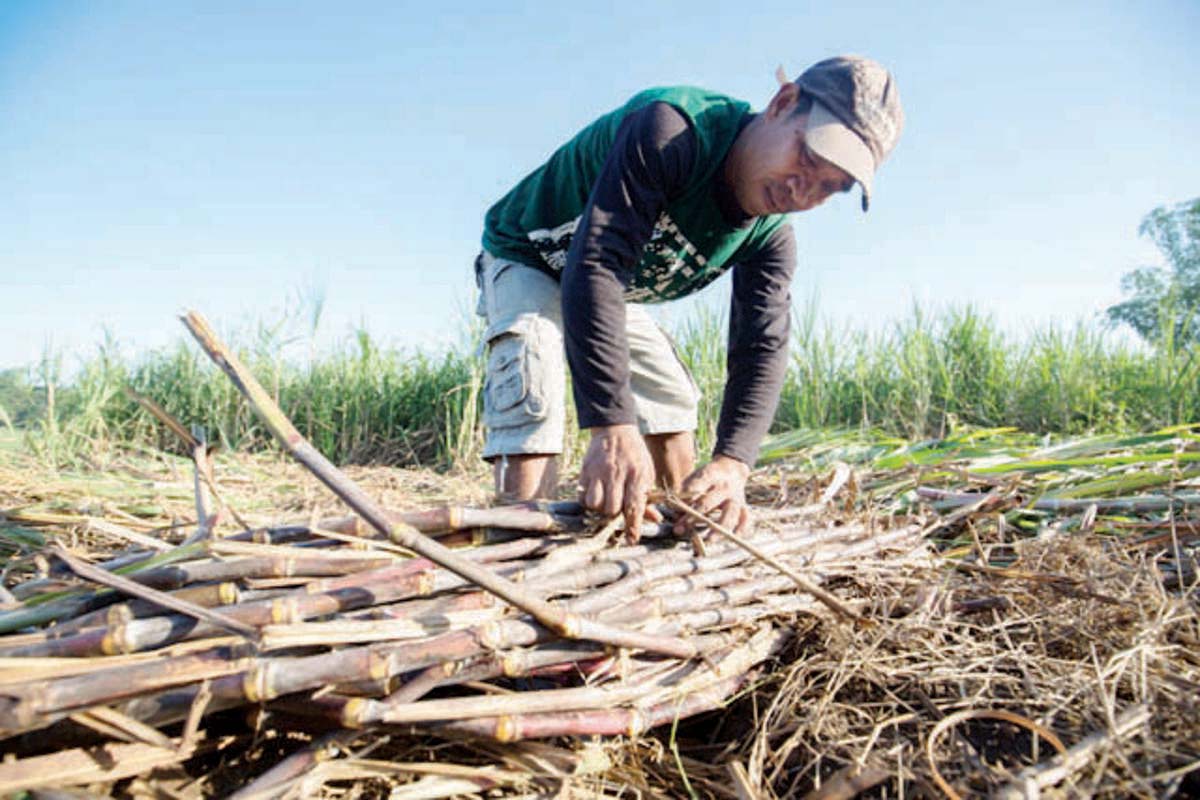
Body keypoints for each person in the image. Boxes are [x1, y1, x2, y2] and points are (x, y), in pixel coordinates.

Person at [475, 56, 903, 536]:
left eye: (832, 188)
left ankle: (677, 525)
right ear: (783, 104)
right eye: (807, 158)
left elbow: (760, 347)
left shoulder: (772, 236)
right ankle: (518, 544)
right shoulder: (673, 131)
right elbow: (596, 262)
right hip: (532, 253)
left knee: (670, 395)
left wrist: (732, 465)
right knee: (534, 373)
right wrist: (612, 427)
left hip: (609, 285)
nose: (803, 192)